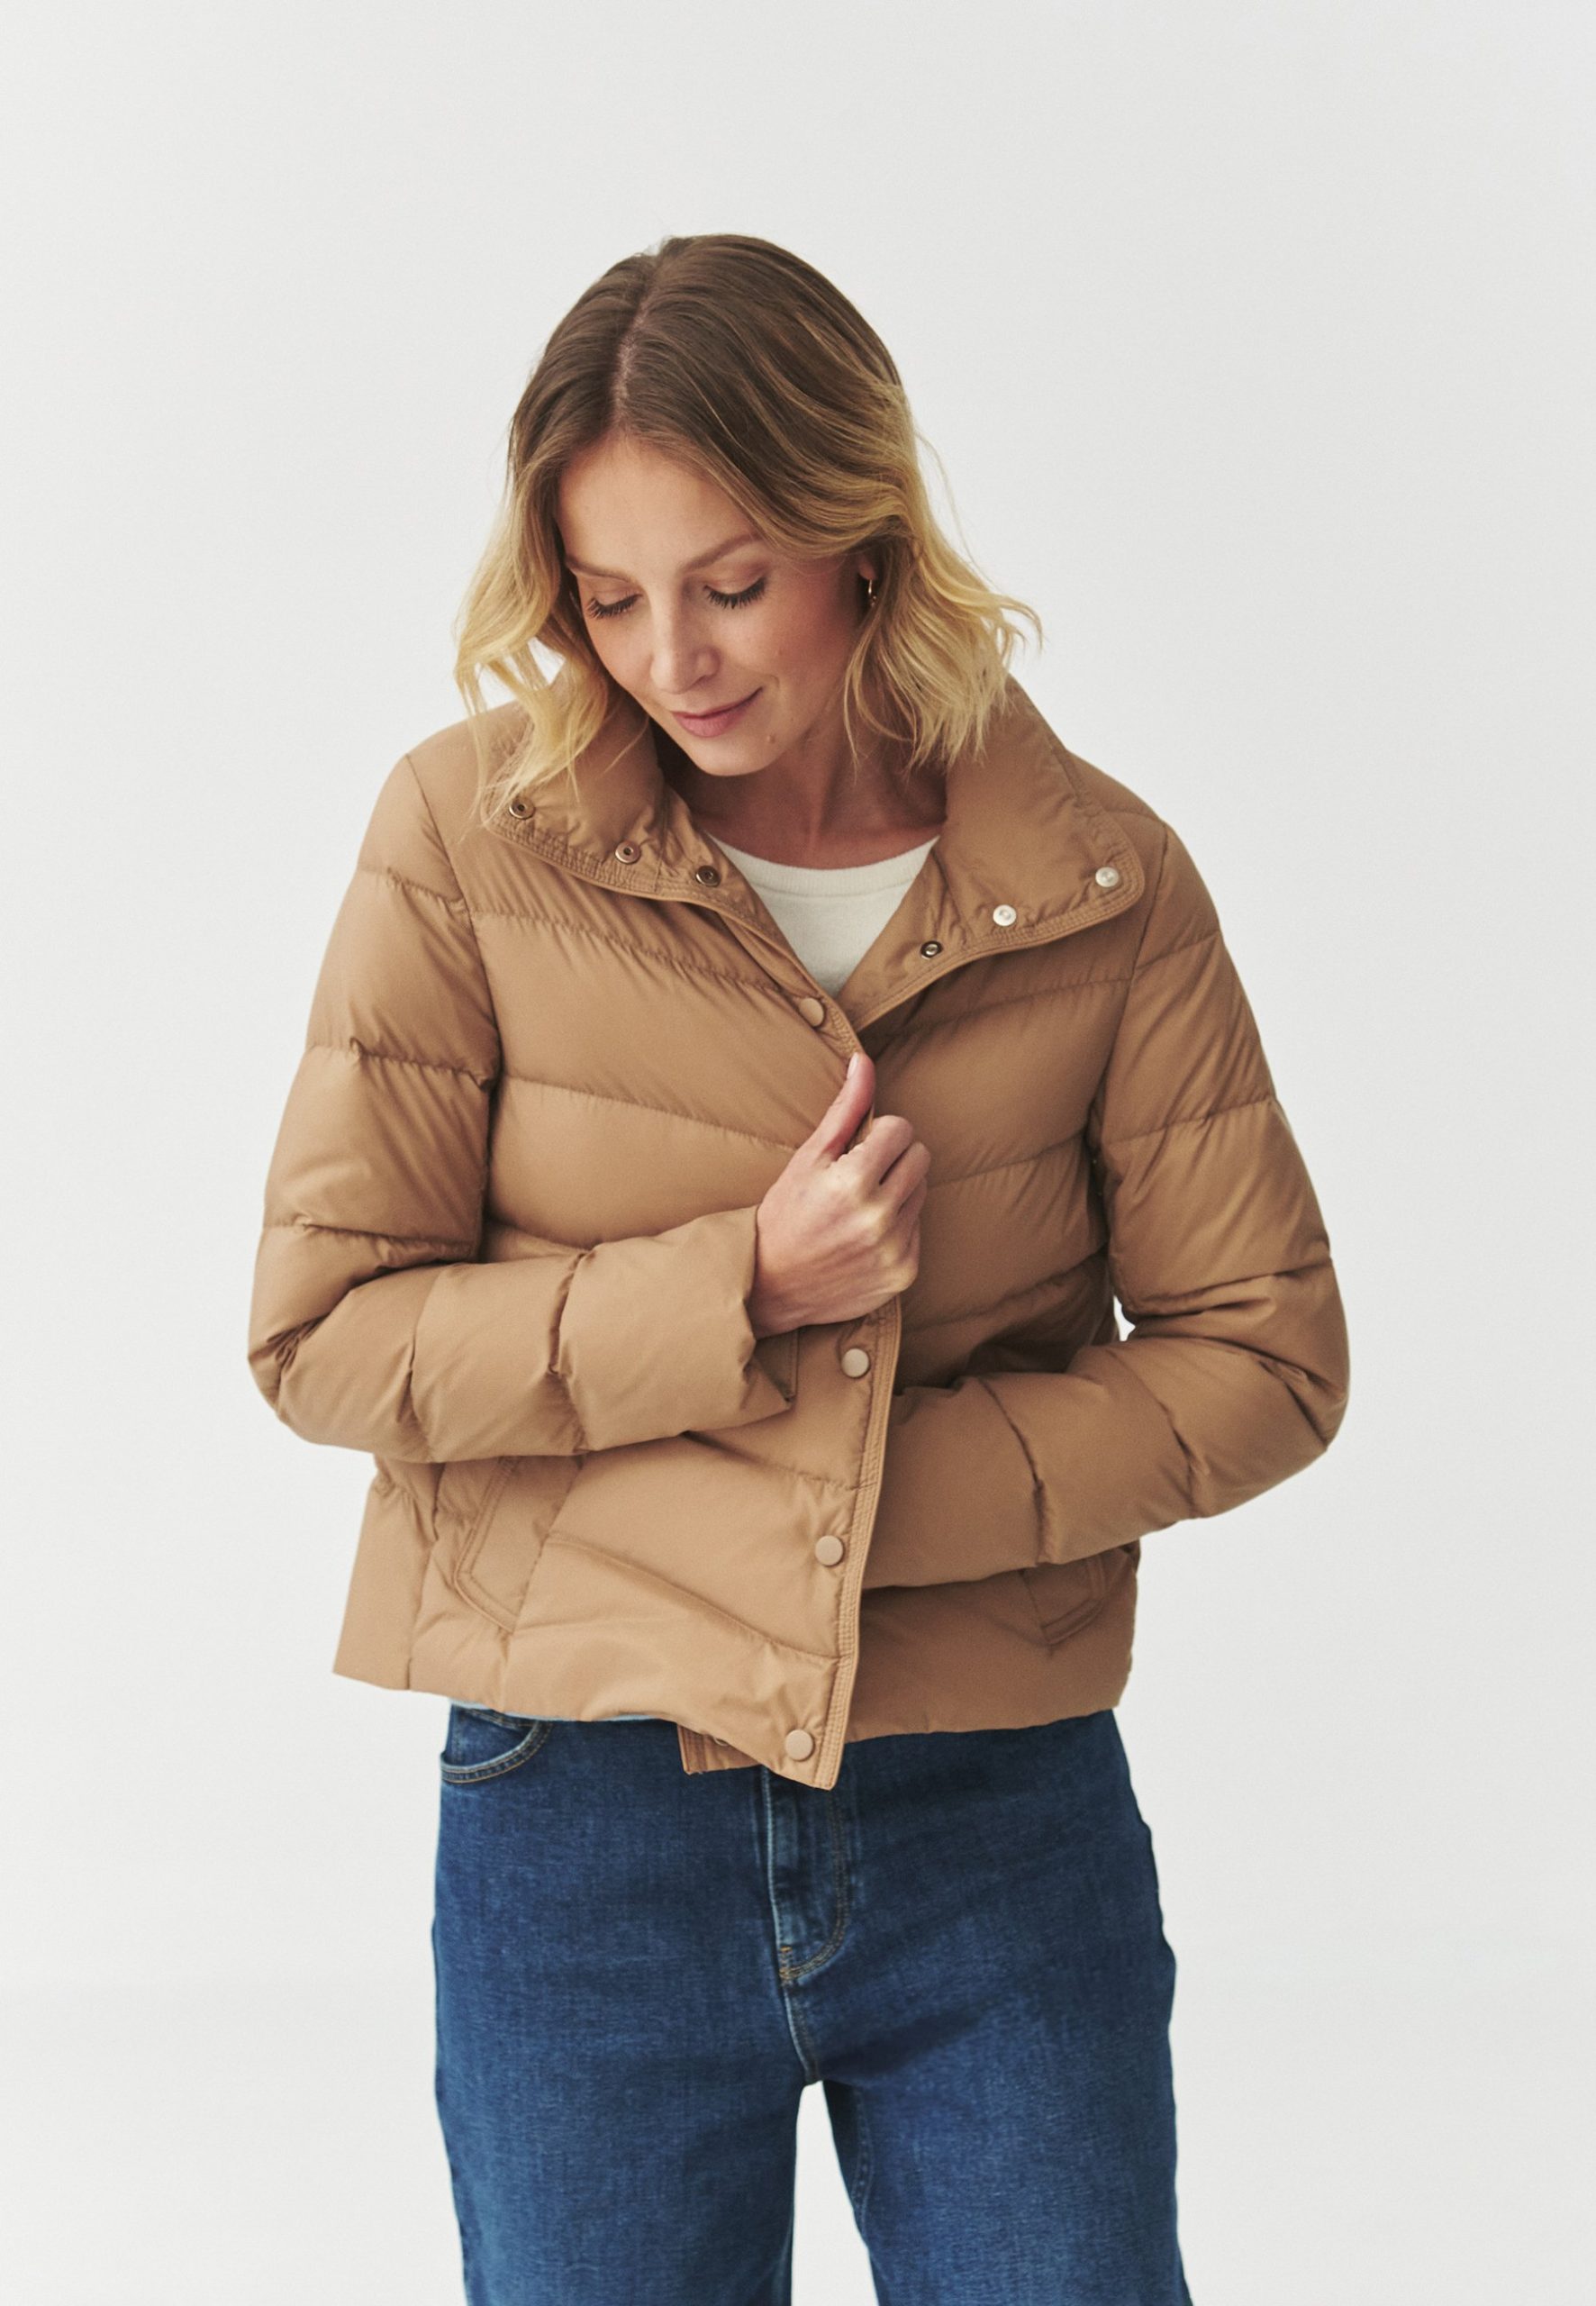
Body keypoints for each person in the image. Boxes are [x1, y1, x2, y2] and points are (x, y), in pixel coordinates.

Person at [247, 232, 1349, 2305]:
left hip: (995, 1809)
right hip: (580, 1815)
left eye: (731, 581)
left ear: (860, 531)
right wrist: (736, 1287)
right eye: (608, 596)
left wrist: (838, 1519)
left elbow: (1264, 1357)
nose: (672, 654)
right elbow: (323, 1335)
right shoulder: (468, 838)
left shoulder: (1098, 880)